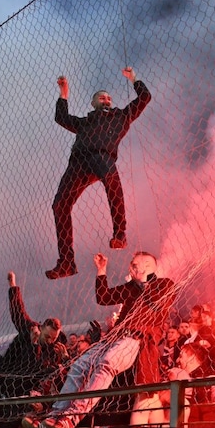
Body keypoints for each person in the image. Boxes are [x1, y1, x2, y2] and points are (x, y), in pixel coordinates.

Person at [23, 251, 175, 428]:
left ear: (147, 265)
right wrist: (102, 270)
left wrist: (143, 279)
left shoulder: (164, 284)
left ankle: (70, 419)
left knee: (106, 364)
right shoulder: (130, 287)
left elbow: (156, 304)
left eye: (135, 265)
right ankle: (54, 416)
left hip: (135, 339)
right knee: (79, 366)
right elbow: (103, 297)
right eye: (132, 265)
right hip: (113, 337)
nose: (131, 268)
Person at [45, 67, 152, 279]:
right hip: (78, 163)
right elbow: (61, 117)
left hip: (102, 157)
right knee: (60, 205)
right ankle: (66, 262)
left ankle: (119, 233)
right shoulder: (84, 122)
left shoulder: (121, 116)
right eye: (100, 97)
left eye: (108, 97)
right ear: (93, 103)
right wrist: (63, 93)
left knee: (112, 180)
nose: (106, 98)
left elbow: (145, 97)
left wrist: (134, 79)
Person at [0, 271, 69, 397]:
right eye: (47, 337)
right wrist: (13, 285)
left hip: (33, 390)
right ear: (41, 328)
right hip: (14, 379)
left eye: (53, 338)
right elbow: (18, 313)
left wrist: (65, 357)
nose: (50, 341)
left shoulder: (58, 347)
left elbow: (42, 368)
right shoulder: (31, 329)